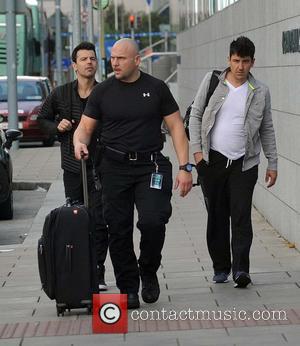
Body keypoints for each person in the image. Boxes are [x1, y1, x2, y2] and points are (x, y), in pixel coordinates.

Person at [73, 38, 193, 309]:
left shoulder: (156, 88)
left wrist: (186, 167)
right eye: (112, 57)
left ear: (137, 60)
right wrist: (79, 143)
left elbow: (176, 127)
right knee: (118, 229)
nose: (114, 62)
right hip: (114, 168)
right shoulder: (102, 92)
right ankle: (128, 287)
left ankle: (148, 270)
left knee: (153, 221)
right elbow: (85, 128)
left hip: (151, 166)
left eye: (121, 58)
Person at [189, 36, 278, 288]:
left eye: (245, 62)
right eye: (236, 61)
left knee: (241, 216)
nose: (240, 67)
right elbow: (196, 115)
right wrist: (197, 154)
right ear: (229, 59)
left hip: (244, 163)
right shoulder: (212, 81)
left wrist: (273, 162)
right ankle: (220, 267)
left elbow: (267, 128)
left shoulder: (260, 91)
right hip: (212, 161)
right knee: (217, 216)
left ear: (253, 63)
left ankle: (241, 269)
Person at [37, 42, 109, 291]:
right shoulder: (61, 93)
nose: (89, 62)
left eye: (93, 58)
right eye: (84, 59)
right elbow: (42, 119)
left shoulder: (106, 91)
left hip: (101, 167)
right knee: (77, 218)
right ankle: (80, 271)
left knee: (100, 220)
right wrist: (57, 127)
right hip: (72, 167)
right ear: (74, 65)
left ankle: (98, 271)